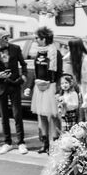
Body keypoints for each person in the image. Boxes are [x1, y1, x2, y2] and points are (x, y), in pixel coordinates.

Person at [0, 27, 28, 155]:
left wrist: (24, 76)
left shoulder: (15, 48)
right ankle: (7, 142)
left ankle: (21, 142)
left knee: (17, 114)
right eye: (4, 37)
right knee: (4, 116)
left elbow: (23, 64)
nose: (7, 39)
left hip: (14, 84)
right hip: (0, 85)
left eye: (8, 37)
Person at [25, 26, 63, 154]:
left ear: (44, 38)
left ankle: (56, 143)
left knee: (53, 116)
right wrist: (29, 87)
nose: (35, 40)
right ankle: (45, 143)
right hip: (39, 87)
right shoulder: (39, 52)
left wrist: (58, 89)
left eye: (37, 38)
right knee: (41, 116)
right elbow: (36, 72)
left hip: (50, 86)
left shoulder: (55, 53)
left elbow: (59, 73)